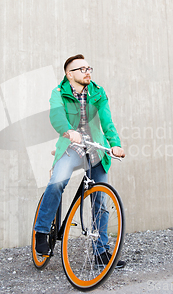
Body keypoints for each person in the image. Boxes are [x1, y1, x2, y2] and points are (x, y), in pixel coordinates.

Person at [34, 54, 126, 268]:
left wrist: (115, 143)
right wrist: (67, 130)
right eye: (82, 69)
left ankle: (100, 251)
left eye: (89, 68)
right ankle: (42, 231)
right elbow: (56, 116)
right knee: (57, 183)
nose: (88, 72)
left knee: (101, 201)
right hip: (71, 147)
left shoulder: (97, 92)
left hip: (95, 148)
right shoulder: (58, 93)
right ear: (70, 74)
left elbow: (107, 120)